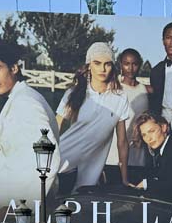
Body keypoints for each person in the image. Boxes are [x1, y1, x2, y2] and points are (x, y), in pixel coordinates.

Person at [0, 44, 62, 210]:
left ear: (13, 68)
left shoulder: (26, 101)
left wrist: (21, 207)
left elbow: (47, 156)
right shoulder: (19, 97)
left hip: (18, 199)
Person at [56, 42, 133, 190]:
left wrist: (125, 179)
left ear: (112, 66)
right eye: (97, 63)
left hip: (91, 171)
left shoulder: (120, 97)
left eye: (107, 64)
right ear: (89, 65)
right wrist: (47, 160)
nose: (102, 69)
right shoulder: (74, 93)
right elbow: (56, 126)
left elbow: (122, 142)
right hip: (62, 160)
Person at [116, 48, 152, 168]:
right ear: (121, 64)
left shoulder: (146, 90)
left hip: (138, 144)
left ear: (139, 65)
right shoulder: (115, 88)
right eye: (126, 64)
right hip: (117, 144)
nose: (130, 68)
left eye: (134, 64)